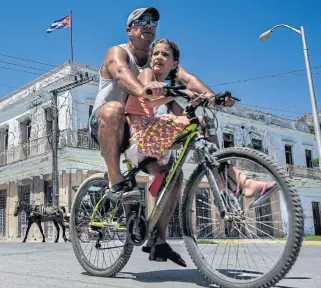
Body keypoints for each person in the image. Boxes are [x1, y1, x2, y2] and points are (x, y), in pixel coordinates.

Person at [89, 7, 277, 265]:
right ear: (129, 30)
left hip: (142, 134)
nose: (148, 25)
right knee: (113, 109)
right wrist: (147, 91)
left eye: (153, 21)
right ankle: (115, 180)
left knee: (174, 175)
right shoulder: (120, 53)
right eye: (141, 21)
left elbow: (188, 80)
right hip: (109, 126)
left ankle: (159, 238)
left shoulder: (159, 62)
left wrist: (213, 98)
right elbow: (122, 75)